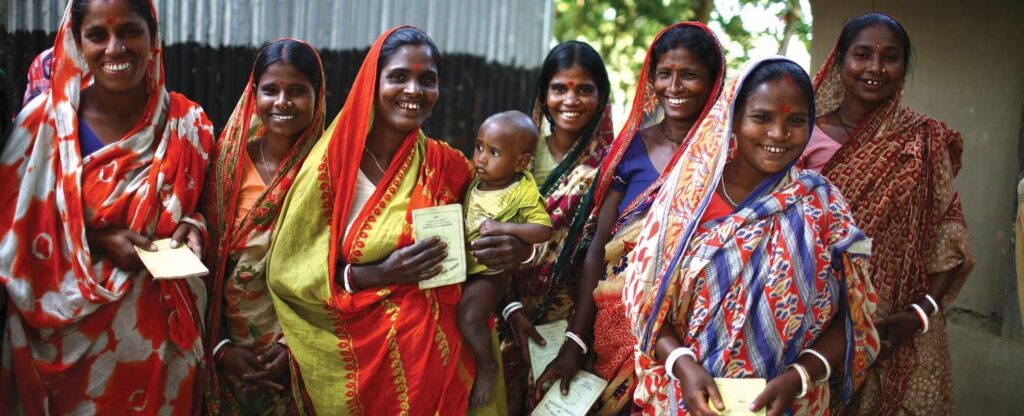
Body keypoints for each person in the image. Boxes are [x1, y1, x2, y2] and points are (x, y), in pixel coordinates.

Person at [265, 26, 533, 415]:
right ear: (371, 83)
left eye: (428, 80)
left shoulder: (450, 167)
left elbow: (493, 239)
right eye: (398, 77)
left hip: (445, 367)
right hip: (363, 375)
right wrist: (380, 273)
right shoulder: (331, 167)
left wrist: (518, 249)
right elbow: (289, 272)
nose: (414, 90)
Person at [622, 56, 879, 416]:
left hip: (788, 403)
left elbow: (853, 317)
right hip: (684, 397)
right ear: (733, 118)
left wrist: (799, 377)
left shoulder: (822, 205)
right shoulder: (688, 198)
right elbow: (645, 305)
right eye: (762, 118)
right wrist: (685, 366)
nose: (778, 134)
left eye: (795, 121)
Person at [0, 0, 214, 414]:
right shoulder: (42, 127)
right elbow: (11, 231)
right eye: (98, 35)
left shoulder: (189, 126)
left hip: (160, 355)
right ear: (77, 43)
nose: (115, 48)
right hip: (60, 358)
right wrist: (97, 240)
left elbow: (211, 207)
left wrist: (194, 225)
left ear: (153, 35)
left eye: (130, 31)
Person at [532, 23, 726, 415]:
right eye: (665, 74)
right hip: (619, 325)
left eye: (689, 75)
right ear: (651, 78)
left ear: (712, 80)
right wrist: (576, 340)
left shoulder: (726, 153)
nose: (675, 86)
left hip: (699, 331)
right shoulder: (631, 147)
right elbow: (599, 249)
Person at [799, 13, 974, 415]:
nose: (875, 68)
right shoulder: (798, 134)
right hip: (811, 317)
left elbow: (949, 232)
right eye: (862, 55)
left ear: (903, 68)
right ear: (840, 62)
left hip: (898, 327)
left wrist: (920, 312)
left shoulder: (924, 140)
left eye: (890, 57)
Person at [202, 38, 326, 415]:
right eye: (270, 89)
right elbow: (205, 260)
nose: (282, 102)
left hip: (300, 352)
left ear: (318, 97)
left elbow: (329, 270)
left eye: (297, 91)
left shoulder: (329, 169)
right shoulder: (224, 162)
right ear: (253, 94)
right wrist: (221, 347)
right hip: (225, 349)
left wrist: (293, 345)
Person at [498, 40, 613, 415]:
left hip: (575, 322)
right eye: (559, 88)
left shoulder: (611, 165)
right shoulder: (515, 152)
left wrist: (575, 339)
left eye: (584, 89)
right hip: (504, 309)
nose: (571, 99)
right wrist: (510, 308)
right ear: (544, 93)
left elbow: (600, 251)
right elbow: (485, 233)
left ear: (601, 96)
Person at [460, 110, 553, 407]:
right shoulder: (475, 178)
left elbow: (543, 228)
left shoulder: (522, 190)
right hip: (464, 266)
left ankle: (487, 365)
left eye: (494, 152)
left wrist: (505, 228)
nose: (482, 158)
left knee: (469, 316)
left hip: (490, 274)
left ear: (521, 162)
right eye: (478, 147)